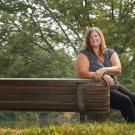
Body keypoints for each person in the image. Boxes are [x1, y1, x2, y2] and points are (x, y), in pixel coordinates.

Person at [76, 26, 135, 123]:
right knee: (126, 101)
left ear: (100, 37)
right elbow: (82, 73)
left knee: (133, 98)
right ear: (88, 40)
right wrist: (101, 76)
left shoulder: (109, 52)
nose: (94, 39)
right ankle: (132, 126)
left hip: (113, 85)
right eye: (91, 37)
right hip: (97, 89)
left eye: (96, 36)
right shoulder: (83, 54)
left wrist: (104, 70)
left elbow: (118, 69)